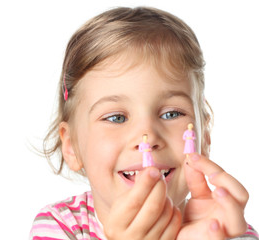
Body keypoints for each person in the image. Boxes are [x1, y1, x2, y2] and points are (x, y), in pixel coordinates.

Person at [29, 7, 259, 240]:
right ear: (71, 146)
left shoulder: (228, 229)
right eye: (116, 118)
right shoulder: (59, 225)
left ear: (205, 137)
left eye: (171, 114)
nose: (146, 136)